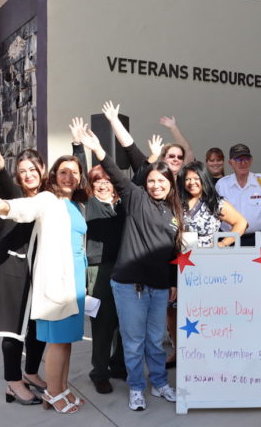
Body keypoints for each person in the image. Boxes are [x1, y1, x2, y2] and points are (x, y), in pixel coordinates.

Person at [77, 126, 182, 412]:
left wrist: (172, 281)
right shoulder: (136, 199)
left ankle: (159, 383)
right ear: (145, 183)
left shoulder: (173, 212)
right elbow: (116, 174)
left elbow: (173, 252)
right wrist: (97, 148)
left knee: (156, 342)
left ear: (171, 184)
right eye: (152, 180)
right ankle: (137, 387)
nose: (157, 185)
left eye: (162, 181)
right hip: (129, 286)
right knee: (133, 342)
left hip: (159, 287)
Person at [0, 155, 91, 414]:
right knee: (55, 340)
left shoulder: (75, 205)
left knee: (66, 341)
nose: (68, 177)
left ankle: (61, 388)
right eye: (63, 172)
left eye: (74, 173)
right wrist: (4, 205)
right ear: (52, 175)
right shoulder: (48, 199)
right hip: (55, 280)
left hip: (74, 280)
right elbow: (25, 207)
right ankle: (52, 393)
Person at [0, 142, 47, 406]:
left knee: (39, 326)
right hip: (12, 269)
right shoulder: (16, 195)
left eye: (33, 169)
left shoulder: (48, 198)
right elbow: (7, 194)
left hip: (38, 271)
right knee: (14, 330)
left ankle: (29, 373)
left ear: (42, 170)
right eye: (23, 170)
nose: (28, 174)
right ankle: (13, 382)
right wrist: (1, 170)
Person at [71, 119, 127, 395]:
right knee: (103, 324)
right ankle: (100, 371)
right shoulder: (90, 203)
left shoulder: (123, 204)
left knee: (125, 321)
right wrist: (78, 145)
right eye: (98, 181)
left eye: (107, 180)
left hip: (125, 268)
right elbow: (79, 179)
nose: (103, 185)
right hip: (99, 270)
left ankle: (119, 365)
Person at [178, 160, 247, 248]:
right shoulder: (178, 201)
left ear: (204, 179)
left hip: (206, 256)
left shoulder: (215, 203)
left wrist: (223, 243)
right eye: (187, 179)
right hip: (181, 256)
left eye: (196, 179)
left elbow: (241, 223)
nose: (192, 182)